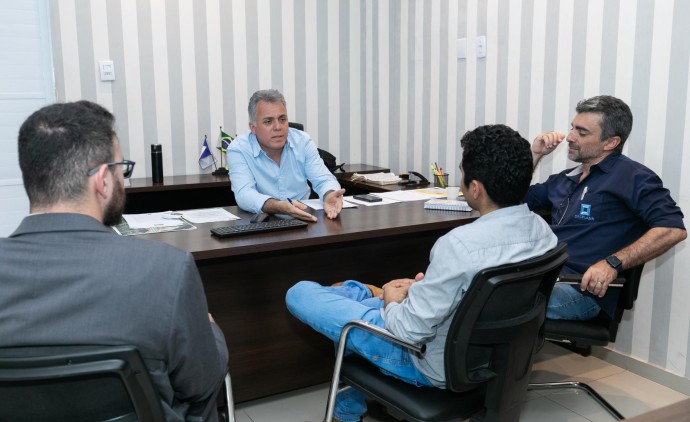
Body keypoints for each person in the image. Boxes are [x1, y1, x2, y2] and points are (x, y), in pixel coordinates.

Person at [286, 124, 558, 422]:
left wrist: (392, 300)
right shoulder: (543, 232)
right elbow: (483, 294)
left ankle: (366, 297)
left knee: (301, 294)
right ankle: (363, 298)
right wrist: (427, 288)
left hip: (430, 363)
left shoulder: (459, 245)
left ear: (476, 188)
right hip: (499, 359)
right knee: (360, 305)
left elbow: (406, 331)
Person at [0, 101, 229, 421]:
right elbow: (202, 382)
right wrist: (210, 329)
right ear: (102, 180)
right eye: (122, 169)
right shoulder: (166, 270)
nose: (123, 178)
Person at [526, 95, 686, 320]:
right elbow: (514, 200)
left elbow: (672, 229)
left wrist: (612, 263)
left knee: (496, 301)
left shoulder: (633, 177)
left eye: (582, 133)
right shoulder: (564, 178)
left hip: (579, 290)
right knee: (483, 287)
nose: (570, 137)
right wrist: (535, 154)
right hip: (542, 276)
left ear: (611, 142)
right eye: (572, 128)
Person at [227, 89, 345, 221]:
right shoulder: (239, 149)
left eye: (282, 119)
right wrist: (277, 206)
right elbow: (244, 194)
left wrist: (329, 194)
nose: (278, 127)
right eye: (268, 121)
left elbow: (323, 179)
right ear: (253, 128)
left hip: (304, 217)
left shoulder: (302, 141)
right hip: (263, 222)